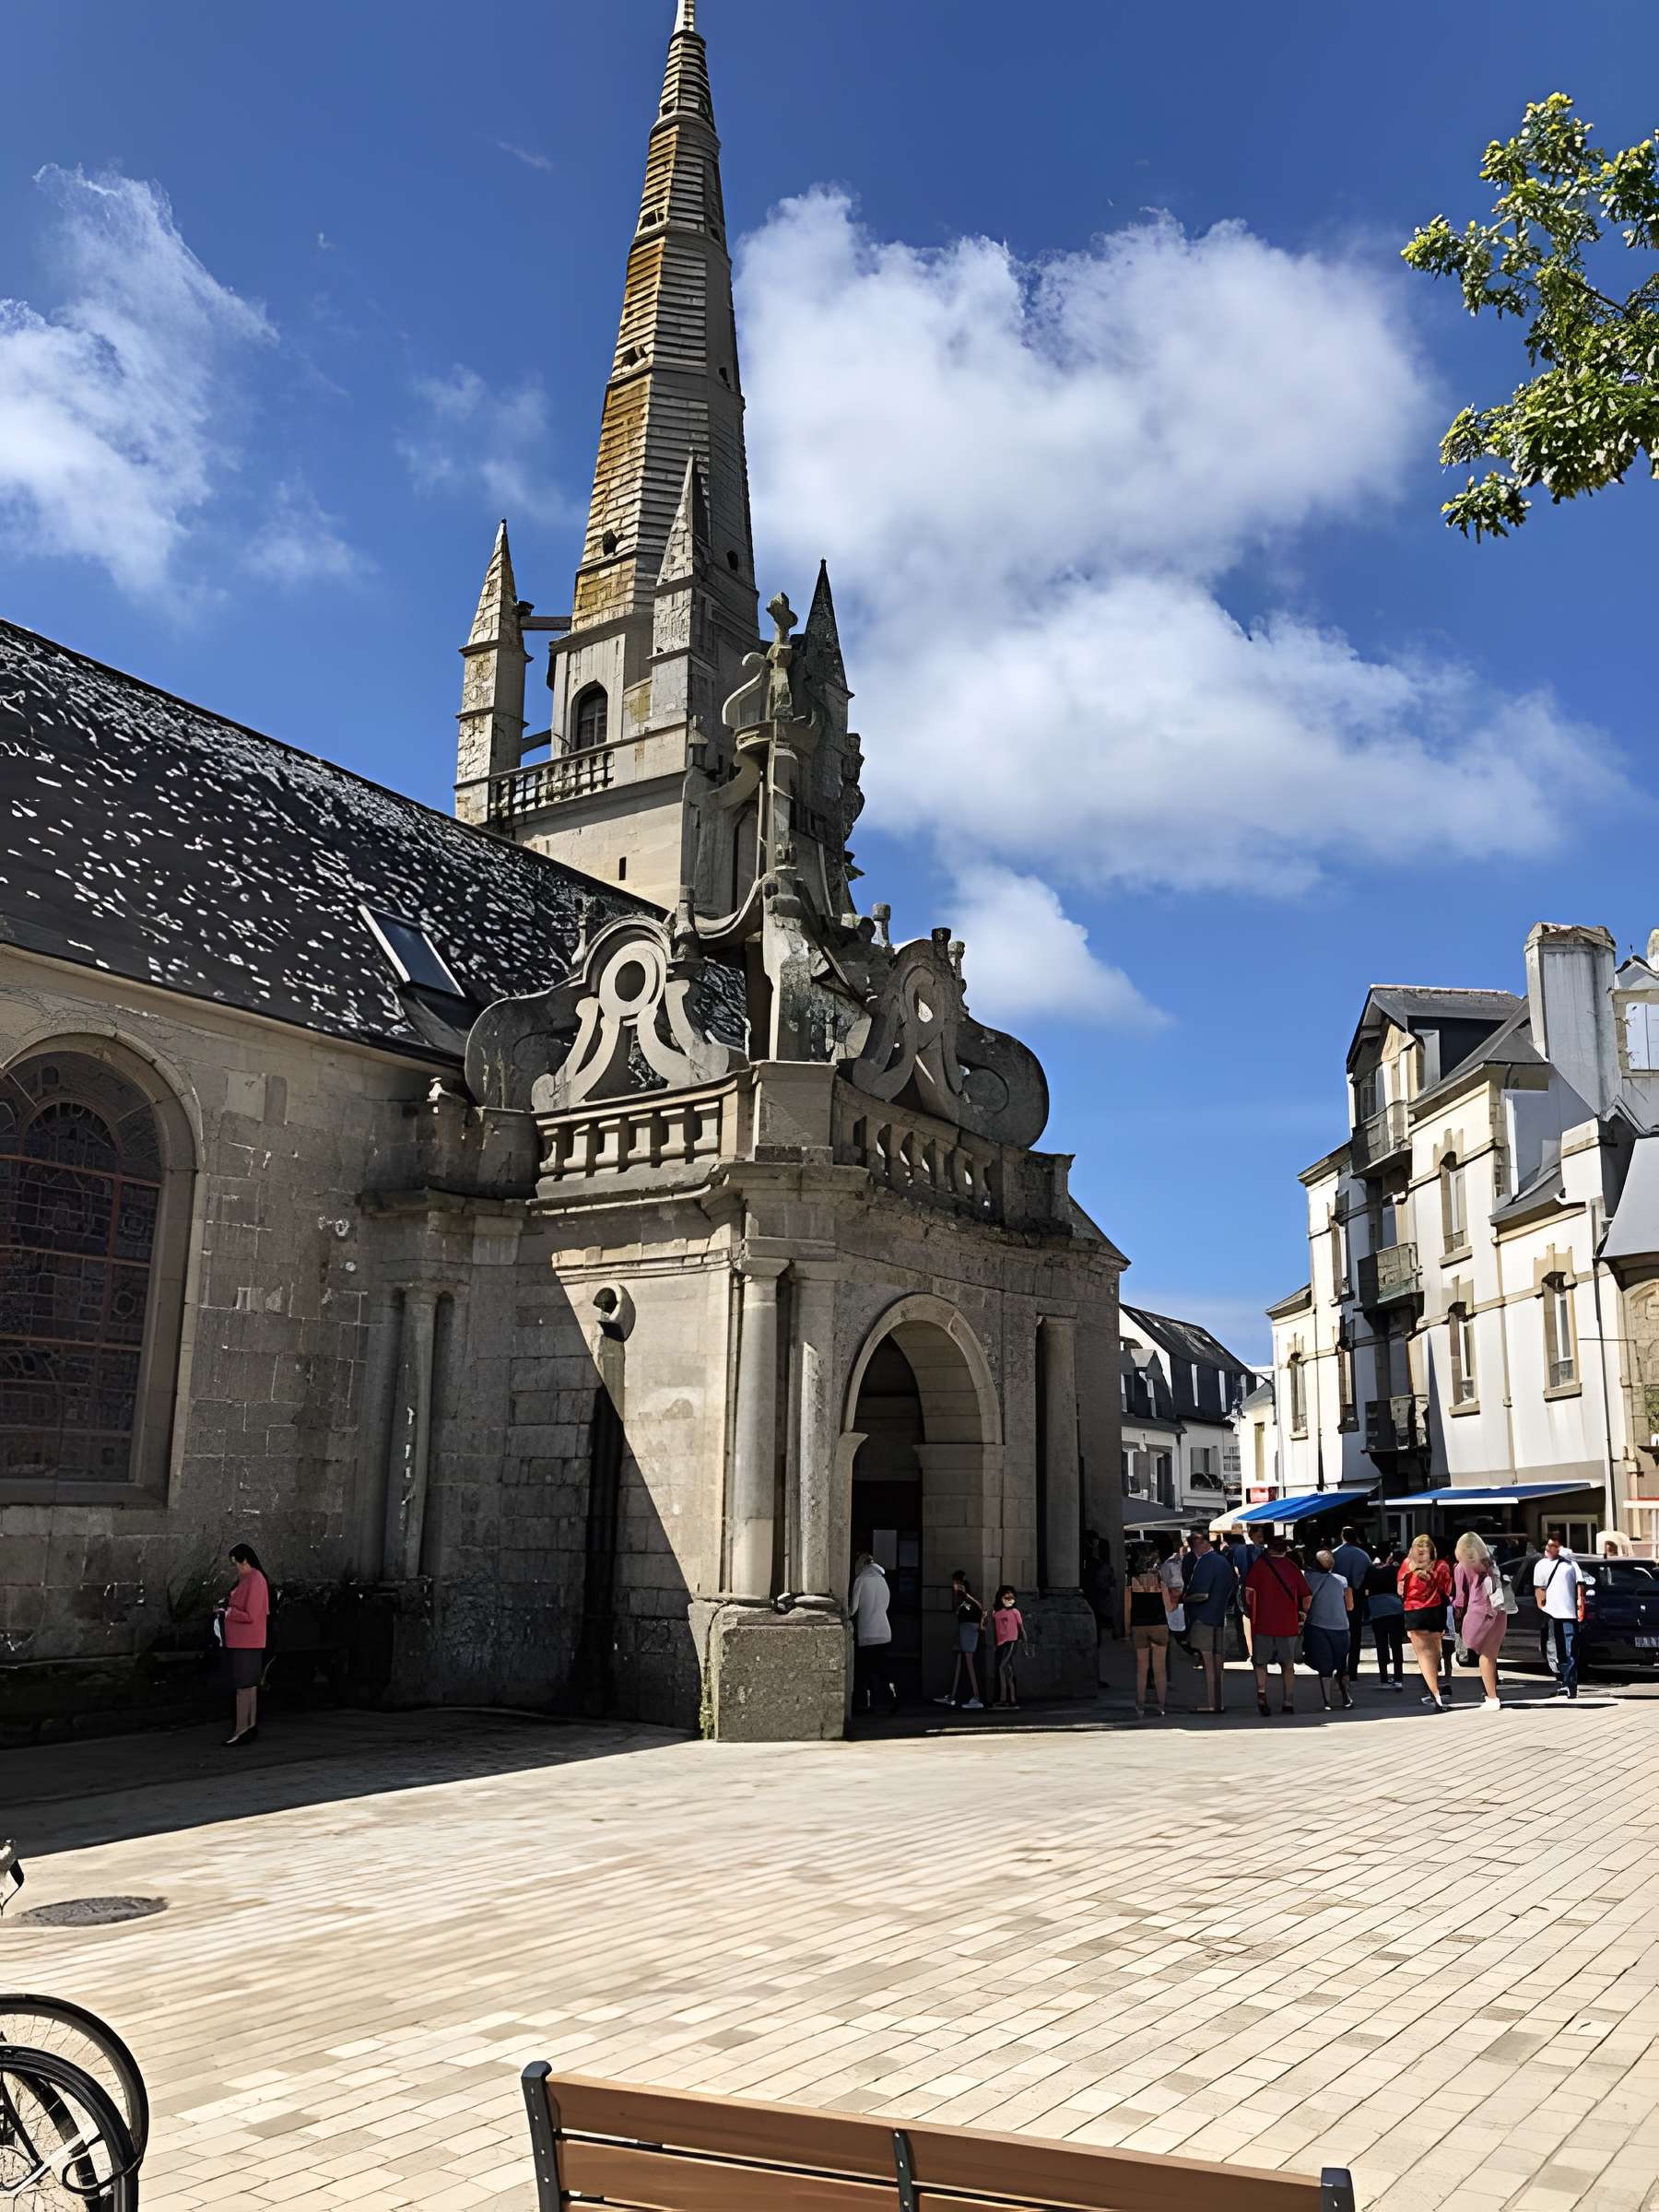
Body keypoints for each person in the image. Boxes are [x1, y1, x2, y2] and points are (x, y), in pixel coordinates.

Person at [1244, 1534, 1310, 1716]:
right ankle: (1288, 1701)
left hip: (1263, 1623)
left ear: (1268, 1549)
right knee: (1287, 1664)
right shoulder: (1292, 1567)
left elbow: (1249, 1593)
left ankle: (1261, 1693)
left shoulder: (1259, 1567)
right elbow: (1307, 1596)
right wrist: (1302, 1615)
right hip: (1288, 1624)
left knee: (1260, 1663)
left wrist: (1253, 1611)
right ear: (1285, 1550)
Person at [218, 1543, 270, 1747]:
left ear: (245, 1561)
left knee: (244, 1686)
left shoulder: (255, 1580)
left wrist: (227, 1613)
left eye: (237, 1564)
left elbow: (250, 1614)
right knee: (248, 1686)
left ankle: (242, 1728)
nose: (236, 1568)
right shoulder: (249, 1579)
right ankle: (248, 1727)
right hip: (245, 1640)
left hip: (247, 1641)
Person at [1182, 1528, 1238, 1713]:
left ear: (1205, 1543)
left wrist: (1183, 1599)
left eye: (1194, 1544)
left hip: (1204, 1617)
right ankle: (1218, 1702)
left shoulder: (1206, 1562)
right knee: (1217, 1662)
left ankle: (1210, 1703)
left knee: (1207, 1663)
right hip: (1219, 1616)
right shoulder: (1223, 1562)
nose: (1192, 1549)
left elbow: (1200, 1593)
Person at [1453, 1530, 1508, 1710]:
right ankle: (1492, 1694)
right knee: (1491, 1655)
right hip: (1499, 1611)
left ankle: (1491, 1698)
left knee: (1483, 1655)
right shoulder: (1491, 1563)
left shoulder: (1461, 1567)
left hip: (1479, 1611)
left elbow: (1461, 1598)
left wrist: (1457, 1617)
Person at [1398, 1534, 1454, 1710]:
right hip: (1435, 1612)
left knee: (1423, 1657)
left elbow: (1400, 1590)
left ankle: (1434, 1693)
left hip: (1413, 1612)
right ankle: (1435, 1690)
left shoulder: (1406, 1565)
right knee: (1435, 1654)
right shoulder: (1442, 1566)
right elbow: (1448, 1590)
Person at [1303, 1549, 1357, 1711]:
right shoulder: (1343, 1581)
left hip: (1317, 1626)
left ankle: (1327, 1702)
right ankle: (1346, 1698)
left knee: (1324, 1665)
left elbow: (1306, 1603)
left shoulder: (1308, 1579)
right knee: (1342, 1665)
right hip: (1341, 1626)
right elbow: (1350, 1606)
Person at [1533, 1533, 1583, 1700]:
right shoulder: (1541, 1565)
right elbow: (1539, 1589)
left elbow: (1580, 1586)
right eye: (1547, 1546)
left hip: (1569, 1613)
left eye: (1553, 1546)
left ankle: (1571, 1685)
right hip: (1551, 1614)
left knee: (1571, 1649)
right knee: (1557, 1650)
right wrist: (1542, 1608)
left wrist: (1580, 1606)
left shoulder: (1571, 1565)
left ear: (1560, 1547)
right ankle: (1563, 1681)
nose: (1549, 1550)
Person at [1124, 1544, 1171, 1718]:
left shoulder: (1132, 1582)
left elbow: (1127, 1609)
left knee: (1141, 1668)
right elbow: (1169, 1607)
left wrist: (1127, 1631)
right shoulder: (1160, 1581)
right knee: (1160, 1669)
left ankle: (1140, 1705)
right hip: (1159, 1624)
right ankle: (1162, 1705)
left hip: (1139, 1625)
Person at [849, 1551, 899, 1715]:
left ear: (862, 1563)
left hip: (867, 1632)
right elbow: (886, 1605)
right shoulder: (882, 1580)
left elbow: (853, 1608)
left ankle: (867, 1703)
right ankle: (892, 1698)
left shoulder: (861, 1579)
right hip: (884, 1631)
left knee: (865, 1670)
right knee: (884, 1669)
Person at [936, 1571, 985, 1710]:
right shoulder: (961, 1599)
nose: (954, 1586)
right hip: (964, 1627)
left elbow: (979, 1608)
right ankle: (953, 1695)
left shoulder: (967, 1598)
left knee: (968, 1662)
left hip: (968, 1628)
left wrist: (964, 1594)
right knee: (959, 1659)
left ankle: (976, 1697)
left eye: (956, 1583)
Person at [1157, 1533, 1203, 1671]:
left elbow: (1175, 1584)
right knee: (1182, 1630)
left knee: (1180, 1630)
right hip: (1179, 1599)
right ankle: (1197, 1653)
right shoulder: (1174, 1562)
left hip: (1177, 1599)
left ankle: (1197, 1654)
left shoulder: (1170, 1564)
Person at [1332, 1525, 1373, 1681]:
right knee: (1355, 1635)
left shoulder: (1334, 1555)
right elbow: (1368, 1576)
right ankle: (1353, 1670)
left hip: (1337, 1597)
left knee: (1339, 1632)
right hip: (1357, 1596)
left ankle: (1340, 1668)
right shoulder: (1363, 1555)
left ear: (1342, 1536)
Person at [1365, 1545, 1406, 1689]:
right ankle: (1398, 1677)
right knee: (1396, 1644)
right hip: (1395, 1609)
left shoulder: (1370, 1570)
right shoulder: (1394, 1570)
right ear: (1389, 1555)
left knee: (1381, 1644)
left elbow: (1366, 1589)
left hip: (1377, 1610)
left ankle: (1384, 1676)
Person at [990, 1586, 1027, 1708]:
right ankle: (1012, 1698)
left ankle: (1003, 1698)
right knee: (1008, 1670)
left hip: (1011, 1642)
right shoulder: (996, 1614)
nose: (1009, 1600)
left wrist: (1025, 1643)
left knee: (1002, 1667)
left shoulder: (1015, 1612)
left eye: (1011, 1597)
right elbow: (995, 1630)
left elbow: (1021, 1628)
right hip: (1001, 1644)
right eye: (1006, 1597)